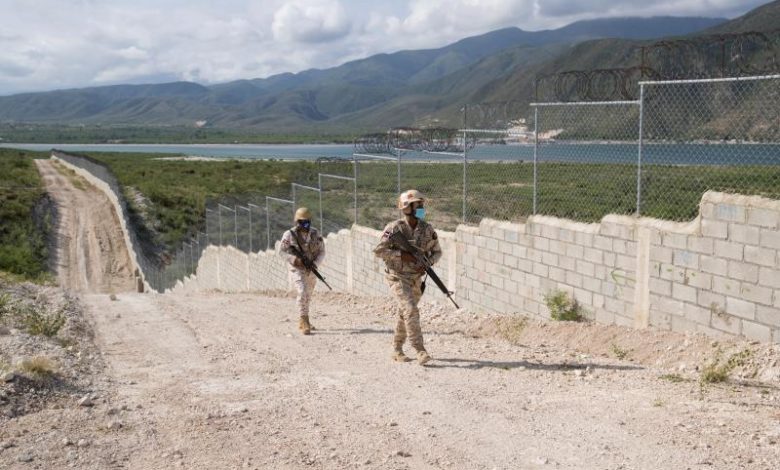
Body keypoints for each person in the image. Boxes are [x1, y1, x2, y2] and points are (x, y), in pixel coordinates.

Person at [374, 189, 442, 365]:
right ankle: (420, 350)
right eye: (417, 204)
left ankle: (397, 348)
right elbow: (379, 251)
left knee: (405, 314)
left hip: (416, 278)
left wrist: (427, 263)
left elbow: (437, 251)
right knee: (411, 310)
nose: (421, 207)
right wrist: (402, 255)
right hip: (397, 276)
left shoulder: (427, 229)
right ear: (406, 207)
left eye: (421, 204)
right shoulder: (394, 228)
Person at [280, 207, 325, 335]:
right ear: (296, 222)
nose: (304, 225)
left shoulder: (315, 234)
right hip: (297, 269)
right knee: (302, 291)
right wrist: (295, 260)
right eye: (301, 222)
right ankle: (303, 319)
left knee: (308, 295)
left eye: (307, 222)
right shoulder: (289, 235)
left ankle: (305, 319)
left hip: (311, 269)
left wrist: (315, 264)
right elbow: (282, 251)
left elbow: (322, 251)